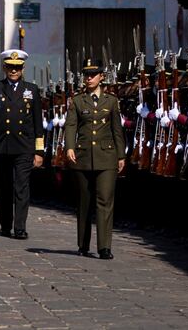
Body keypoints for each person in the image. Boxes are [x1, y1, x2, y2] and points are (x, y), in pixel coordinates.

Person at [0, 49, 44, 239]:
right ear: (4, 68)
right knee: (4, 188)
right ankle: (5, 225)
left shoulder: (31, 90)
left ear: (22, 68)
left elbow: (37, 123)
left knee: (21, 188)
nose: (13, 71)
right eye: (10, 67)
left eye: (17, 68)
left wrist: (39, 150)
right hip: (2, 147)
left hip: (24, 146)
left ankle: (20, 227)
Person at [64, 58, 125, 260]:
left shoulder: (112, 101)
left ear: (101, 77)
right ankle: (83, 244)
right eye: (86, 75)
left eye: (93, 75)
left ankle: (104, 246)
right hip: (82, 156)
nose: (89, 78)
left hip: (106, 156)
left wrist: (121, 154)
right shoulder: (78, 101)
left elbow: (117, 129)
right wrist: (70, 147)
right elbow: (71, 125)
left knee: (105, 200)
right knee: (84, 201)